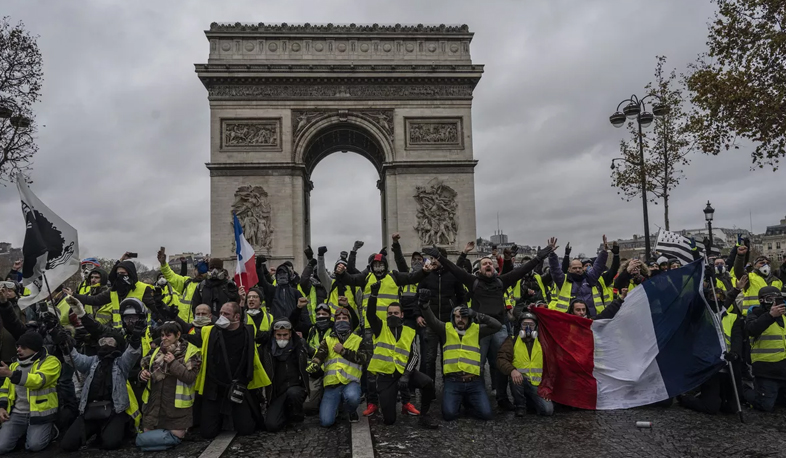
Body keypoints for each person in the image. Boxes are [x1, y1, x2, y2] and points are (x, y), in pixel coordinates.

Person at [423, 239, 553, 412]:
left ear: (494, 268)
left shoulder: (502, 281)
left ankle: (501, 397)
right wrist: (439, 257)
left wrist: (539, 258)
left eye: (490, 263)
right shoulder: (472, 281)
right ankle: (476, 395)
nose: (487, 265)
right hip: (479, 329)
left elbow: (523, 270)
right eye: (484, 264)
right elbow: (454, 270)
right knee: (478, 363)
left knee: (499, 364)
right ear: (479, 269)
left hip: (500, 328)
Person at [334, 251, 430, 417]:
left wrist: (424, 271)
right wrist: (340, 273)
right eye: (376, 265)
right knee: (371, 367)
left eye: (381, 265)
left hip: (393, 326)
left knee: (400, 361)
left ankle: (406, 401)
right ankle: (372, 402)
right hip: (372, 328)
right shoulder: (365, 278)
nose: (378, 268)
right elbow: (351, 279)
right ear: (371, 266)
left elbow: (411, 278)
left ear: (386, 265)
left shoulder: (394, 276)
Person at [60, 321, 144, 452]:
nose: (105, 345)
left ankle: (123, 428)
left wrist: (135, 338)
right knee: (67, 445)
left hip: (114, 411)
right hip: (90, 411)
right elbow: (75, 359)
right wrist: (67, 346)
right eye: (102, 342)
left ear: (117, 345)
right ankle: (96, 431)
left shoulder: (121, 363)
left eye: (110, 342)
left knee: (111, 444)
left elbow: (132, 354)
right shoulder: (93, 361)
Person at [192, 302, 270, 438]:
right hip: (215, 388)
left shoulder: (248, 332)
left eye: (226, 314)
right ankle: (221, 418)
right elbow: (189, 335)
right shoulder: (210, 331)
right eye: (221, 313)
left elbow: (267, 336)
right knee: (207, 433)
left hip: (237, 387)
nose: (222, 316)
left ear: (237, 317)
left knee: (246, 429)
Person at [366, 283, 438, 429]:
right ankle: (390, 403)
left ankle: (425, 415)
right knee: (390, 420)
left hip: (405, 373)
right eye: (390, 313)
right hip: (386, 376)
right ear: (386, 315)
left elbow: (415, 355)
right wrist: (373, 296)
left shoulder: (409, 331)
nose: (393, 316)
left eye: (396, 313)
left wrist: (406, 374)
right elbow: (370, 315)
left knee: (428, 383)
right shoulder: (380, 328)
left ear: (402, 315)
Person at [420, 299, 502, 421]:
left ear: (469, 318)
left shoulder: (477, 330)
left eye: (464, 316)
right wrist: (425, 306)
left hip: (474, 382)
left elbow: (497, 326)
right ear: (453, 318)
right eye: (457, 316)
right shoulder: (446, 329)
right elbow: (432, 321)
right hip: (453, 381)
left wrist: (477, 314)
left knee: (486, 415)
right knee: (449, 415)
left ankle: (468, 401)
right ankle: (463, 400)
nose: (460, 319)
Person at [678, 276, 745, 414]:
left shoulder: (732, 318)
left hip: (729, 366)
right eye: (713, 296)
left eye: (720, 296)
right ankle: (685, 398)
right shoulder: (702, 318)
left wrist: (735, 353)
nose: (717, 299)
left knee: (731, 409)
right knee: (712, 407)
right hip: (711, 366)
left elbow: (737, 339)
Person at [137, 322, 202, 447]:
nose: (164, 339)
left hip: (177, 410)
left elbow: (189, 378)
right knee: (146, 438)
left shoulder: (192, 351)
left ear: (178, 335)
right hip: (154, 407)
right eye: (162, 335)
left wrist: (172, 363)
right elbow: (144, 367)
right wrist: (142, 374)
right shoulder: (156, 351)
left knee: (175, 437)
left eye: (168, 335)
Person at [0, 331, 61, 454]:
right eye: (17, 346)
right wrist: (1, 407)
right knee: (2, 447)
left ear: (34, 348)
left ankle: (51, 431)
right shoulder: (14, 365)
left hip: (40, 414)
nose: (19, 349)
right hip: (17, 413)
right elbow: (4, 389)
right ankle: (23, 433)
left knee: (34, 446)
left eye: (23, 347)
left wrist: (11, 375)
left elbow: (38, 381)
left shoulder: (51, 362)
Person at [307, 306, 369, 427]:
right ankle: (336, 407)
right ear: (334, 322)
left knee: (352, 397)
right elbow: (320, 354)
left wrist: (343, 351)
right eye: (338, 318)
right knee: (326, 422)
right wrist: (314, 364)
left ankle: (351, 411)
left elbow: (364, 359)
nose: (341, 320)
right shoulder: (328, 340)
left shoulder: (358, 340)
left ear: (349, 321)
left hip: (351, 382)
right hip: (332, 384)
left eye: (344, 318)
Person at [68, 257, 155, 328]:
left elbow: (155, 311)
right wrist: (74, 295)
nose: (120, 276)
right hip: (120, 333)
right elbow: (95, 300)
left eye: (123, 273)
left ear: (130, 273)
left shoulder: (144, 288)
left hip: (142, 333)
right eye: (118, 273)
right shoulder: (114, 290)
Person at [496, 312, 553, 417]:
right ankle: (520, 406)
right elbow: (501, 359)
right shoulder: (512, 341)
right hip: (520, 382)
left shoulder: (542, 342)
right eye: (525, 324)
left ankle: (530, 402)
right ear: (520, 326)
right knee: (516, 378)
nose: (528, 328)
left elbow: (551, 366)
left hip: (537, 384)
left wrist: (547, 387)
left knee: (547, 410)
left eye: (531, 325)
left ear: (536, 327)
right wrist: (512, 370)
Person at [258, 318, 308, 432]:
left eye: (285, 335)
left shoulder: (299, 346)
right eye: (279, 335)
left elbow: (314, 356)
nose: (282, 338)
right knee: (272, 425)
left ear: (290, 334)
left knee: (293, 394)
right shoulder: (266, 350)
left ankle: (296, 415)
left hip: (295, 389)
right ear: (274, 335)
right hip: (277, 393)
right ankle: (284, 413)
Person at [743, 286, 786, 412]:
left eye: (777, 299)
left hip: (783, 368)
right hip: (766, 369)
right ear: (761, 300)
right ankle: (743, 390)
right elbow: (751, 330)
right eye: (769, 299)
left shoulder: (784, 316)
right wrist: (771, 315)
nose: (773, 302)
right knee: (765, 405)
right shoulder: (755, 313)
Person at [547, 236, 610, 316]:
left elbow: (598, 266)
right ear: (569, 269)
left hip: (591, 318)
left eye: (579, 268)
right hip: (571, 319)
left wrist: (604, 252)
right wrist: (551, 254)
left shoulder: (589, 278)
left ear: (583, 268)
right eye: (574, 268)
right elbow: (555, 269)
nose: (577, 270)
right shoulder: (563, 280)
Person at [298, 302, 333, 414]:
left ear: (329, 316)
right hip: (316, 370)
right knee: (308, 408)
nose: (321, 316)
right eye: (318, 314)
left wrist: (311, 350)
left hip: (331, 370)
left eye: (324, 314)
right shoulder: (312, 330)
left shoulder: (335, 330)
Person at [157, 247, 209, 321]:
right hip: (183, 326)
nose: (200, 272)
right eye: (198, 269)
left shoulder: (210, 285)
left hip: (200, 328)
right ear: (194, 270)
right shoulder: (186, 282)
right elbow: (171, 276)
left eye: (203, 269)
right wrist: (163, 264)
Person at [734, 245, 784, 314]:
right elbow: (738, 271)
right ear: (755, 266)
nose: (765, 265)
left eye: (767, 263)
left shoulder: (778, 281)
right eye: (762, 263)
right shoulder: (749, 277)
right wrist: (740, 256)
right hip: (753, 315)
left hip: (773, 315)